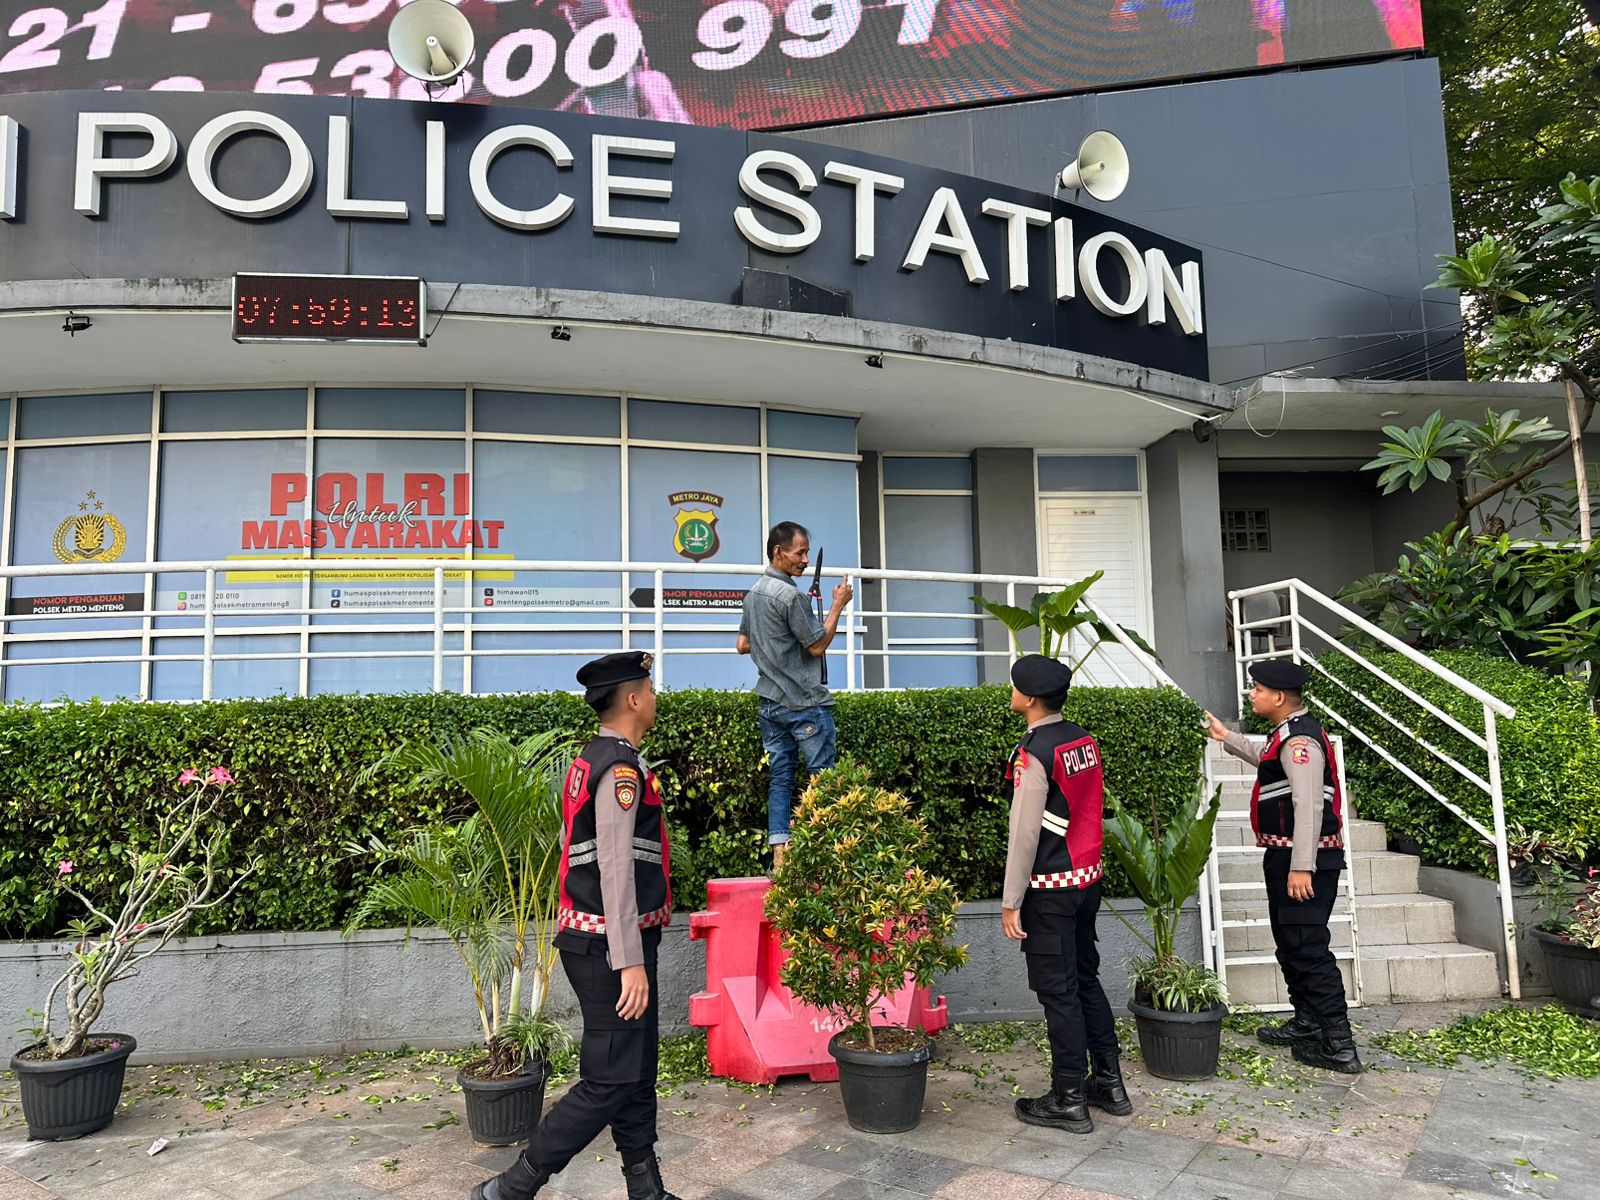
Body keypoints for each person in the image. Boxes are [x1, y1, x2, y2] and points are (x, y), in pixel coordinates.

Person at [473, 651, 682, 1200]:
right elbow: (614, 866)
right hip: (608, 947)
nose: (656, 699)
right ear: (634, 699)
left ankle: (647, 1189)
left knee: (635, 1071)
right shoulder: (619, 769)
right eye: (651, 689)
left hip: (606, 940)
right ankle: (513, 1186)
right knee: (611, 1077)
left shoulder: (592, 760)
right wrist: (630, 960)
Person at [1204, 660, 1361, 1074]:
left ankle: (1339, 1045)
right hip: (1288, 856)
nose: (1251, 694)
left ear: (1278, 697)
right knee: (1291, 942)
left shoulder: (1300, 742)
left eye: (1257, 689)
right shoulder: (1287, 735)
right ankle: (1308, 1021)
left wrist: (1301, 867)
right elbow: (1266, 757)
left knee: (1308, 948)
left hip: (1304, 860)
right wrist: (1226, 737)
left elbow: (1307, 805)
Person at [1002, 654, 1130, 1134]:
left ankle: (1068, 1098)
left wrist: (1012, 899)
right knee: (1085, 979)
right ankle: (1110, 1085)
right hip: (1086, 881)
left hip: (1050, 890)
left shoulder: (1034, 752)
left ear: (1030, 699)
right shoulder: (1083, 740)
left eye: (1014, 686)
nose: (1010, 691)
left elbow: (1024, 833)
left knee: (1059, 994)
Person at [736, 521, 853, 868]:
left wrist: (774, 644)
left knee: (781, 778)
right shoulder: (792, 596)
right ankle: (827, 856)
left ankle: (781, 857)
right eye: (799, 552)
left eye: (805, 553)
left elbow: (742, 644)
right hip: (804, 702)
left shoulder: (754, 593)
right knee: (824, 777)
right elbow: (817, 645)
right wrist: (838, 605)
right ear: (779, 552)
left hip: (769, 703)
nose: (804, 560)